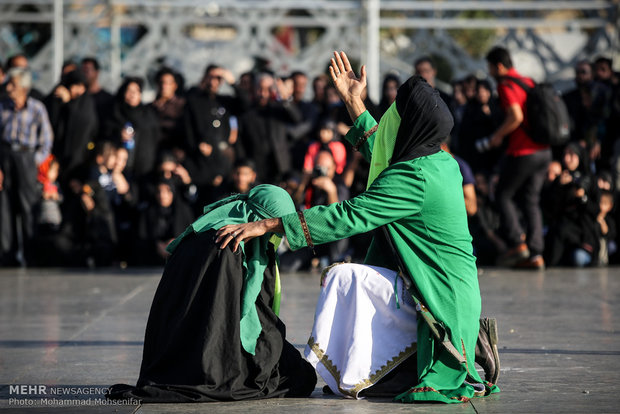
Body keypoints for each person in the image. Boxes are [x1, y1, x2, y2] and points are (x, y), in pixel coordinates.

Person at [217, 51, 500, 404]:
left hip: (436, 297)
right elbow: (383, 152)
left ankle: (321, 369)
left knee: (342, 276)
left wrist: (271, 224)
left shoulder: (412, 177)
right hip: (446, 289)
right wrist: (353, 100)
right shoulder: (441, 162)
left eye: (397, 112)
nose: (391, 117)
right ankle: (369, 369)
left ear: (411, 125)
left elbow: (349, 215)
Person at [107, 184, 316, 402]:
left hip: (171, 349)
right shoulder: (230, 245)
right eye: (270, 227)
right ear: (258, 220)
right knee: (299, 376)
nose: (270, 236)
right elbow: (220, 322)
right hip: (207, 356)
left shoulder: (207, 230)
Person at [485, 46, 551, 269]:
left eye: (490, 68)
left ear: (499, 66)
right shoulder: (527, 81)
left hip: (524, 152)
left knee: (503, 194)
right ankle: (536, 254)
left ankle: (517, 244)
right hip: (544, 151)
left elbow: (516, 115)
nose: (490, 72)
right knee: (531, 199)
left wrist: (497, 136)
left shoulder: (506, 85)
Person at [0, 67, 53, 266]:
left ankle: (32, 254)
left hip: (26, 157)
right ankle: (7, 254)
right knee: (4, 206)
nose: (9, 87)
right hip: (5, 156)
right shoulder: (2, 106)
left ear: (23, 87)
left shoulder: (36, 108)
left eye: (13, 84)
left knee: (28, 205)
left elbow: (46, 139)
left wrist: (35, 160)